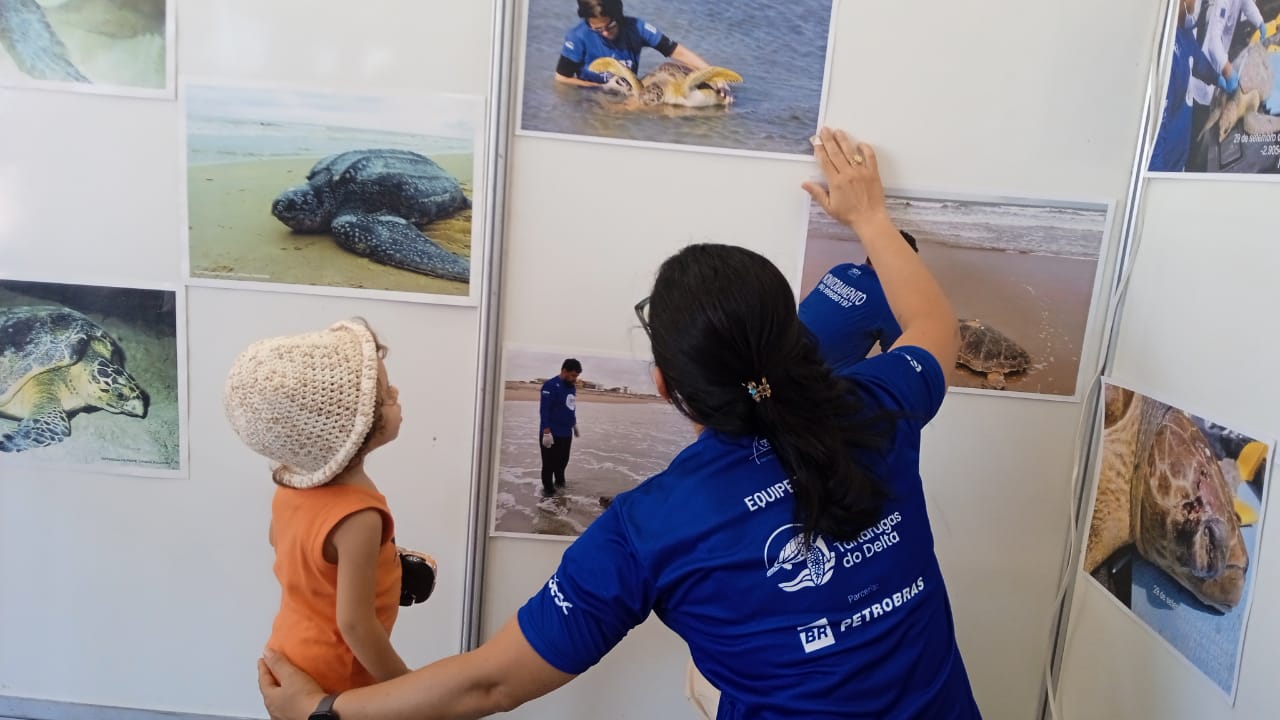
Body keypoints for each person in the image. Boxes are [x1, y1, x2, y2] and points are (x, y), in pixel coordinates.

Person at [257, 128, 980, 719]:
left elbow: (491, 683)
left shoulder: (649, 530)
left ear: (666, 387)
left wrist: (322, 715)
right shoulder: (877, 404)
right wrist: (872, 219)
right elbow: (932, 322)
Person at [225, 319, 412, 695]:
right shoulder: (359, 517)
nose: (396, 392)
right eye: (386, 397)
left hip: (290, 649)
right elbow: (356, 626)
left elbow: (288, 546)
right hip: (338, 675)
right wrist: (407, 688)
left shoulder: (292, 487)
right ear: (354, 432)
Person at [798, 229, 920, 373]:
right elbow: (897, 354)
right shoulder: (887, 298)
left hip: (782, 349)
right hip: (814, 378)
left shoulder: (840, 270)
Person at [1151, 0, 1240, 172]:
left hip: (1179, 161)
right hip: (1165, 166)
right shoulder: (1169, 54)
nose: (1195, 8)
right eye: (1193, 2)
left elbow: (1197, 60)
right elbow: (1158, 129)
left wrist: (1217, 78)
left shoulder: (1184, 33)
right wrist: (1158, 177)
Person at [554, 0, 723, 90]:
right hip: (591, 97)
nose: (605, 33)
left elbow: (675, 50)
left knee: (669, 71)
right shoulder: (577, 36)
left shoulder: (636, 27)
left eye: (610, 26)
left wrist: (713, 75)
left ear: (618, 16)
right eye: (598, 29)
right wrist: (602, 87)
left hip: (630, 91)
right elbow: (561, 79)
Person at [1185, 0, 1271, 170]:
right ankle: (1190, 166)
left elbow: (1246, 4)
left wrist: (1260, 21)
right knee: (1198, 123)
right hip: (1207, 69)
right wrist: (1227, 70)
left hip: (1217, 71)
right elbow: (1213, 41)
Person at [539, 358, 582, 497]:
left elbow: (571, 407)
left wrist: (574, 424)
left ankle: (561, 491)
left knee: (562, 463)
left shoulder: (571, 387)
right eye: (573, 375)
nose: (575, 379)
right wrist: (546, 431)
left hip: (566, 433)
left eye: (577, 376)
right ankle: (548, 494)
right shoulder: (550, 386)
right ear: (564, 371)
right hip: (551, 433)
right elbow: (544, 410)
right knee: (549, 465)